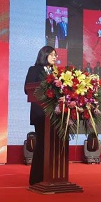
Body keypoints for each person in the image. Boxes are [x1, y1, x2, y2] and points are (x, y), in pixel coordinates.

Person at [24, 46, 57, 186]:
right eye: (52, 54)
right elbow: (27, 89)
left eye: (56, 55)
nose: (55, 57)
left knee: (53, 146)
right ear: (44, 55)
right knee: (42, 145)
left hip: (55, 114)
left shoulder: (56, 72)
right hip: (40, 113)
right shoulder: (34, 70)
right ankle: (36, 178)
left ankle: (51, 177)